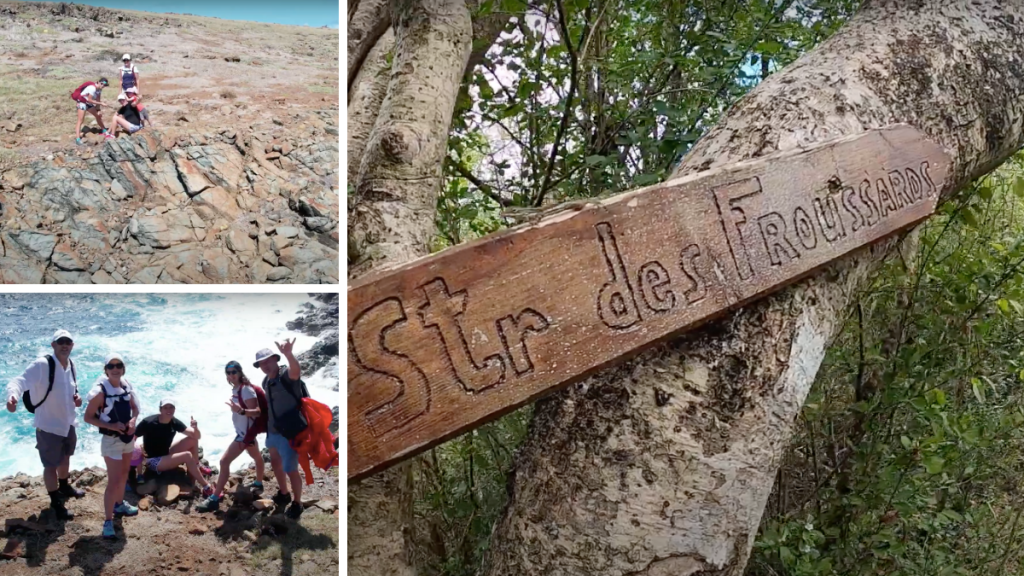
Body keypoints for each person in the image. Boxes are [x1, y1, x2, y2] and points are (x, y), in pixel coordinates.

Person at [4, 329, 84, 521]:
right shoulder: (42, 365)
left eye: (68, 342)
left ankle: (64, 486)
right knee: (50, 466)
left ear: (72, 345)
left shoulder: (71, 365)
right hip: (48, 427)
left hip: (68, 423)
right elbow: (19, 381)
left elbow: (71, 390)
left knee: (65, 459)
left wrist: (77, 398)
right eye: (60, 341)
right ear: (53, 345)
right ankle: (55, 501)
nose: (65, 345)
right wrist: (12, 397)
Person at [83, 353, 140, 540]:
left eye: (119, 365)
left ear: (123, 369)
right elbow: (88, 417)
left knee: (124, 474)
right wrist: (111, 426)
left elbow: (135, 408)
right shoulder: (101, 392)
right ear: (105, 370)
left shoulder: (126, 386)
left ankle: (119, 503)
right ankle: (108, 521)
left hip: (127, 439)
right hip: (111, 441)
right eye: (111, 366)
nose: (115, 369)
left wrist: (132, 421)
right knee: (113, 480)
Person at [196, 361, 266, 513]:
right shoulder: (237, 389)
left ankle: (214, 499)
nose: (231, 375)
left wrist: (241, 411)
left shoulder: (246, 390)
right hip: (245, 434)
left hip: (245, 435)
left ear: (240, 372)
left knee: (224, 461)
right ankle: (259, 483)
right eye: (228, 373)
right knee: (258, 458)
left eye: (234, 372)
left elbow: (257, 412)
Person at [256, 339, 307, 519]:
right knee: (276, 464)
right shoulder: (266, 382)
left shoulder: (286, 375)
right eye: (261, 363)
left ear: (276, 359)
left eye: (268, 361)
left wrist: (289, 354)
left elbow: (296, 371)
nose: (265, 365)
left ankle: (298, 503)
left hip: (289, 432)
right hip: (273, 432)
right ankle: (284, 493)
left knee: (291, 469)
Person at [134, 399, 214, 497]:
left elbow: (197, 436)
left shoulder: (173, 422)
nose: (169, 410)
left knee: (193, 440)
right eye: (165, 407)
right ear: (160, 410)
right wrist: (134, 455)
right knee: (187, 455)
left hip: (166, 453)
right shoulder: (148, 422)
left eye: (171, 407)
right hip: (153, 461)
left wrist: (195, 428)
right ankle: (206, 486)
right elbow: (133, 438)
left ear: (174, 409)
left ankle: (196, 465)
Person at [71, 77, 110, 145]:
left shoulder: (99, 90)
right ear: (98, 82)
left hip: (88, 103)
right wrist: (101, 104)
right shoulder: (92, 88)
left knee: (98, 115)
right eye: (102, 84)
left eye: (104, 85)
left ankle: (104, 130)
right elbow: (89, 99)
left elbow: (98, 99)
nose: (103, 86)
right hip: (82, 102)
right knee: (80, 120)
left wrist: (98, 109)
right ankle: (77, 139)